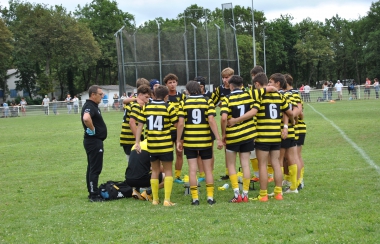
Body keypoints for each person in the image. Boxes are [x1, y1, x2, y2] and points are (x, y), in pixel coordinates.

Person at [242, 73, 293, 202]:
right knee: (276, 163)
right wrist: (288, 125)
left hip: (263, 136)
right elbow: (289, 112)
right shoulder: (279, 96)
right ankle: (278, 193)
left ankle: (263, 194)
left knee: (263, 165)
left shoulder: (259, 95)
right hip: (276, 135)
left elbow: (250, 98)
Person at [176, 81, 223, 205]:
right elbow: (211, 120)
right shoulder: (208, 101)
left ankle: (195, 199)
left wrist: (178, 140)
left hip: (190, 141)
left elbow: (180, 123)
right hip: (205, 140)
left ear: (188, 91)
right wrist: (218, 138)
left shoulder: (183, 102)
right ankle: (210, 198)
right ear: (200, 89)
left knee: (192, 170)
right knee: (208, 170)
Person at [134, 85, 178, 207]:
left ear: (153, 95)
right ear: (166, 96)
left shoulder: (147, 107)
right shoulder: (169, 107)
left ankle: (155, 200)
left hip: (152, 144)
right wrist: (178, 139)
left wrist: (137, 142)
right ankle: (167, 200)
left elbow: (140, 125)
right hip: (165, 144)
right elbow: (177, 124)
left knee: (155, 171)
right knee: (168, 170)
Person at [220, 75, 258, 203]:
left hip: (233, 136)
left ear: (230, 86)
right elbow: (254, 111)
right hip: (248, 135)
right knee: (245, 164)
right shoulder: (248, 95)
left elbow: (224, 118)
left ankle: (237, 194)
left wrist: (223, 134)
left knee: (231, 164)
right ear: (242, 85)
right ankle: (245, 194)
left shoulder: (227, 98)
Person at [81, 85, 107, 202]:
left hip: (93, 141)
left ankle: (91, 191)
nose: (102, 96)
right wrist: (93, 130)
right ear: (93, 95)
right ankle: (94, 195)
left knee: (91, 167)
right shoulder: (89, 106)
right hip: (93, 141)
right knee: (95, 168)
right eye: (100, 94)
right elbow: (86, 118)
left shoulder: (93, 106)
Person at [211, 67, 234, 180]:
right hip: (227, 123)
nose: (225, 80)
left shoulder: (239, 88)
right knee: (228, 148)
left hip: (238, 121)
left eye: (227, 77)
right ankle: (228, 172)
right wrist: (221, 106)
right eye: (223, 78)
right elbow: (212, 103)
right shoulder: (219, 90)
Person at [163, 73, 186, 184]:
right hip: (167, 130)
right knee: (166, 154)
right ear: (166, 84)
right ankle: (166, 175)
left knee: (179, 153)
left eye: (174, 82)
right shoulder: (163, 97)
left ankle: (177, 176)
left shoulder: (182, 96)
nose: (172, 84)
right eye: (169, 82)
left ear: (177, 83)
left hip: (179, 130)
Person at [120, 85, 151, 162]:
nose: (147, 100)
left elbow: (125, 101)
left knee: (133, 163)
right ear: (140, 95)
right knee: (135, 163)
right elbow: (131, 122)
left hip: (126, 138)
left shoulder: (132, 103)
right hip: (131, 138)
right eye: (146, 97)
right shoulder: (137, 106)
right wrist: (138, 140)